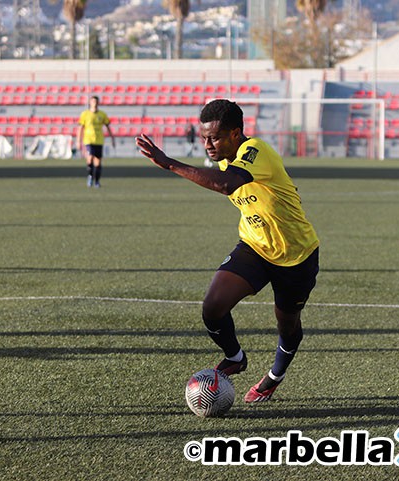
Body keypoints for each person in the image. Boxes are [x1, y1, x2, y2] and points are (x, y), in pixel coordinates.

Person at [135, 99, 319, 403]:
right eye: (204, 137)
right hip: (254, 246)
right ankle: (235, 357)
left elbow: (227, 184)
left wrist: (169, 163)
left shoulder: (255, 151)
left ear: (236, 133)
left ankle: (275, 376)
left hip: (296, 255)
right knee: (213, 307)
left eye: (215, 137)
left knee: (287, 324)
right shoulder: (226, 158)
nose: (207, 144)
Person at [77, 95, 115, 188]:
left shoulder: (102, 114)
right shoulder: (85, 114)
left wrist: (112, 138)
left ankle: (97, 181)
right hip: (88, 140)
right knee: (90, 158)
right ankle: (90, 176)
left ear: (98, 103)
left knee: (98, 162)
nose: (95, 103)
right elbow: (80, 128)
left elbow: (108, 126)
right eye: (93, 101)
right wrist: (78, 141)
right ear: (90, 103)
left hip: (99, 141)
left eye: (96, 101)